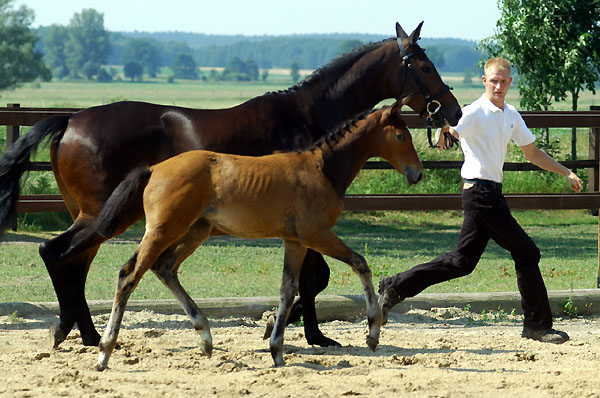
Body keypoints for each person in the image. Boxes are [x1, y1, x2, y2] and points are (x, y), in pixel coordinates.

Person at [378, 57, 583, 344]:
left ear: (510, 83)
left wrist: (566, 171)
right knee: (527, 253)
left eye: (503, 81)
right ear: (484, 81)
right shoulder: (473, 112)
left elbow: (533, 153)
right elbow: (447, 140)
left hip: (489, 194)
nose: (498, 85)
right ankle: (537, 326)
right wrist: (443, 131)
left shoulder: (511, 114)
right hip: (480, 194)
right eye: (493, 80)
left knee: (462, 261)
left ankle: (395, 286)